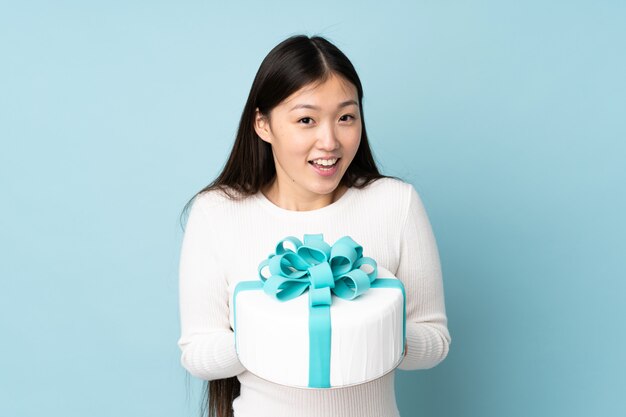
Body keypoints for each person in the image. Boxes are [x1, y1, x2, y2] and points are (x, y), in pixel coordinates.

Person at [177, 34, 451, 417]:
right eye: (306, 120)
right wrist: (277, 325)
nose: (329, 141)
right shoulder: (216, 212)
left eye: (346, 118)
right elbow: (198, 354)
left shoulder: (395, 202)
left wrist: (365, 324)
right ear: (263, 124)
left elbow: (435, 341)